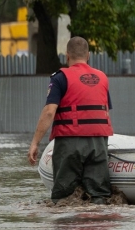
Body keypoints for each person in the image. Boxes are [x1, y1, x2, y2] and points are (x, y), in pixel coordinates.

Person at [27, 36, 113, 204]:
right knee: (99, 195)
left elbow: (49, 112)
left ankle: (67, 229)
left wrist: (35, 142)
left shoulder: (60, 77)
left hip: (70, 142)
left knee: (65, 196)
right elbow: (105, 110)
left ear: (67, 56)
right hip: (99, 142)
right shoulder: (102, 78)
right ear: (88, 55)